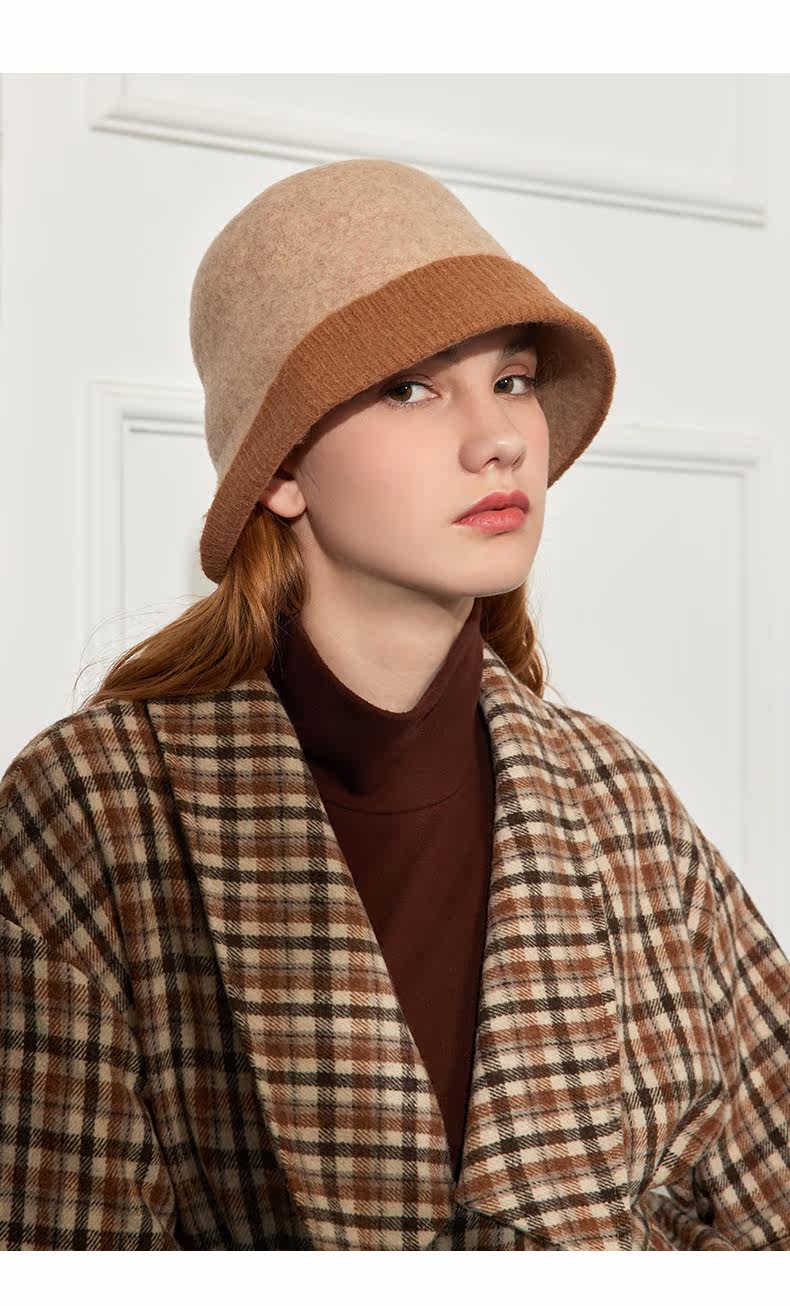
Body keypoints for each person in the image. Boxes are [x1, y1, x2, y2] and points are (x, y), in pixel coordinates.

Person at [1, 157, 788, 1252]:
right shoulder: (94, 813)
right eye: (410, 389)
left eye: (513, 379)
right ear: (281, 469)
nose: (498, 437)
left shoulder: (620, 801)